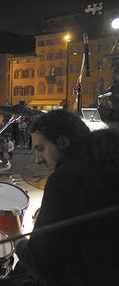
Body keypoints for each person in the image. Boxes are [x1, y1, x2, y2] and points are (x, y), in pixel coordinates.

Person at [10, 109, 119, 286]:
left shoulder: (65, 179)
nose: (38, 160)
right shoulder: (105, 165)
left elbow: (39, 263)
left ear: (63, 142)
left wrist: (17, 240)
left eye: (41, 149)